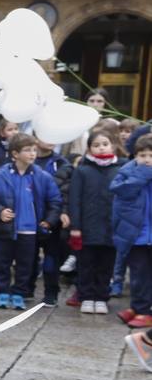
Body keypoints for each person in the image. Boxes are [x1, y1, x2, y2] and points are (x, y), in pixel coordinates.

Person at [0, 133, 62, 312]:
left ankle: (20, 292)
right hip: (6, 228)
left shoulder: (42, 176)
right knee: (3, 262)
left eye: (34, 150)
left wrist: (49, 221)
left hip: (30, 230)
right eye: (27, 150)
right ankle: (2, 291)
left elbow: (55, 201)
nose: (32, 153)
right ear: (15, 154)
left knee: (26, 264)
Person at [68, 128, 122, 314]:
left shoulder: (120, 169)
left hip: (111, 227)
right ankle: (86, 296)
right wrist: (76, 226)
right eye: (96, 145)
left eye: (105, 144)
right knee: (86, 264)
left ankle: (101, 296)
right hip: (87, 227)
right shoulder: (82, 170)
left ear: (113, 145)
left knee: (106, 265)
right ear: (89, 148)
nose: (101, 148)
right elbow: (74, 200)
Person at [112, 135, 152, 329]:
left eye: (151, 155)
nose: (147, 159)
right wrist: (141, 176)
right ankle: (138, 307)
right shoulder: (128, 172)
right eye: (142, 155)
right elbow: (122, 192)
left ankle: (145, 310)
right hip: (136, 234)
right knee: (137, 274)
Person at [32, 139, 74, 307]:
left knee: (51, 258)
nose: (50, 139)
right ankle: (26, 288)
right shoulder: (27, 158)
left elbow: (65, 191)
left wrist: (62, 212)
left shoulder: (62, 163)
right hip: (30, 216)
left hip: (52, 216)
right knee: (28, 257)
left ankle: (51, 291)